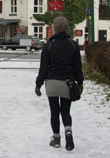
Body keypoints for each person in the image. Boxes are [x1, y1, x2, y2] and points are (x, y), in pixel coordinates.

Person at [35, 16, 84, 151]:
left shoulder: (49, 45)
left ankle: (56, 139)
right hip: (67, 83)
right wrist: (80, 83)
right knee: (66, 112)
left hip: (51, 82)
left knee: (54, 112)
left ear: (55, 28)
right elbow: (78, 67)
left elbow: (43, 68)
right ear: (66, 28)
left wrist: (38, 84)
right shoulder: (73, 45)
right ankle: (68, 133)